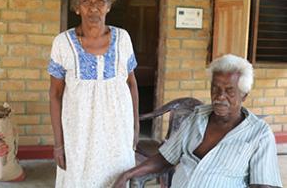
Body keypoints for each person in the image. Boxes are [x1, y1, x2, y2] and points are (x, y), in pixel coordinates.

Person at [114, 54, 282, 188]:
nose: (219, 97)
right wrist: (128, 174)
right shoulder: (196, 118)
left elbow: (262, 185)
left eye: (229, 91)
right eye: (215, 89)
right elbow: (165, 158)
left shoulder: (259, 134)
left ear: (244, 94)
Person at [48, 0, 140, 187]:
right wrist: (59, 145)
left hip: (117, 135)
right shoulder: (62, 44)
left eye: (100, 0)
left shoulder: (123, 38)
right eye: (86, 1)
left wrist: (135, 128)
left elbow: (131, 84)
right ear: (76, 7)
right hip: (79, 138)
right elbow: (55, 95)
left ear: (108, 5)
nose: (93, 8)